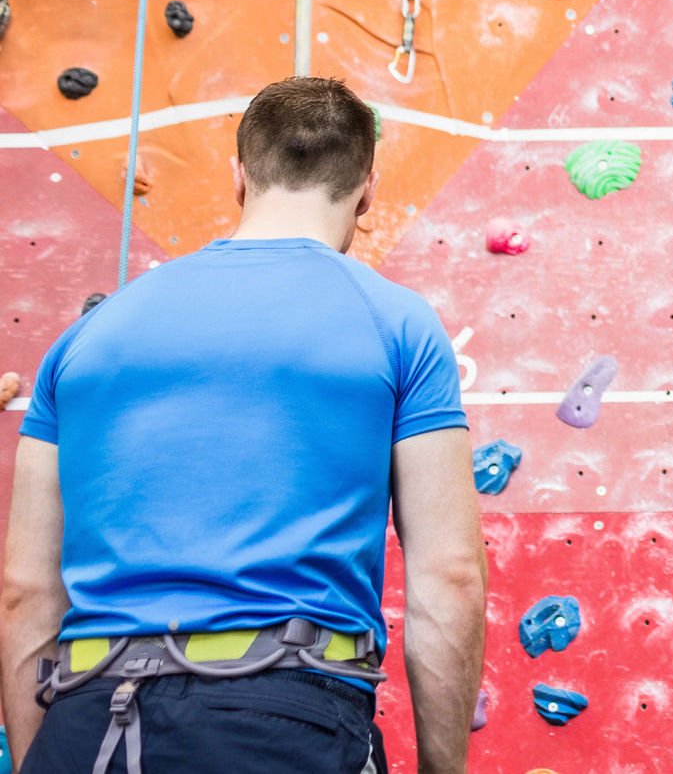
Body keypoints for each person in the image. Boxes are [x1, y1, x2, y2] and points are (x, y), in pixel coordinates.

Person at [1, 77, 487, 773]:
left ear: (238, 178)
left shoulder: (83, 340)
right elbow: (451, 577)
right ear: (368, 190)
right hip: (283, 721)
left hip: (89, 722)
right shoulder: (398, 325)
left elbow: (24, 591)